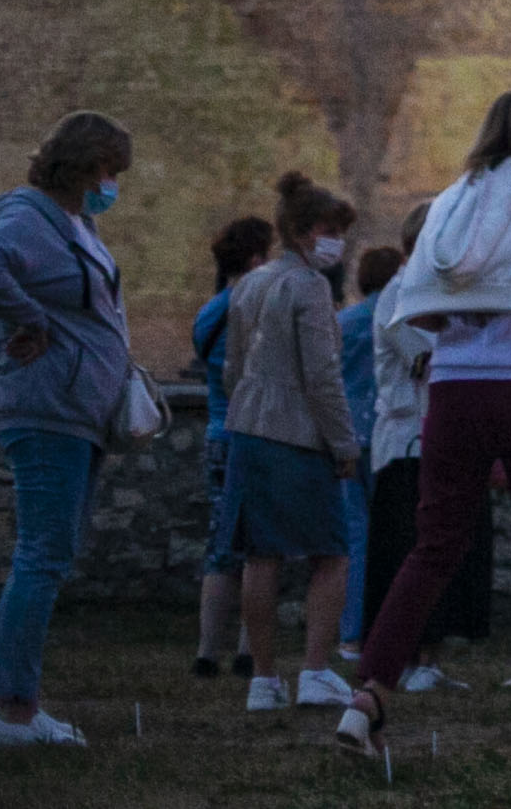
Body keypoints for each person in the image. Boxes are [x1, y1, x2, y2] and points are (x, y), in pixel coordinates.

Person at [345, 94, 511, 764]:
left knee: (432, 547)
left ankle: (369, 694)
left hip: (457, 391)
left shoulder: (448, 207)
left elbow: (426, 317)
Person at [0, 108, 137, 750]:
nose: (114, 184)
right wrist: (32, 320)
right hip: (46, 408)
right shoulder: (28, 216)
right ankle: (11, 712)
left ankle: (8, 695)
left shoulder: (72, 222)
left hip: (74, 411)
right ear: (85, 164)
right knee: (41, 555)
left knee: (46, 555)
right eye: (111, 170)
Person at [220, 171, 363, 722]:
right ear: (303, 231)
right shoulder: (309, 287)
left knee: (262, 555)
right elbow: (322, 376)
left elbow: (232, 366)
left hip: (249, 429)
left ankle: (262, 678)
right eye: (329, 230)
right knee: (332, 553)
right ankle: (315, 670)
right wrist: (343, 442)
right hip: (298, 436)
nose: (337, 242)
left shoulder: (249, 284)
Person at [356, 208, 493, 692]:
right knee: (408, 549)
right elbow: (431, 360)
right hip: (407, 443)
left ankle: (430, 657)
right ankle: (408, 657)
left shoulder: (443, 294)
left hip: (445, 439)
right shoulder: (399, 294)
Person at [190, 215, 275, 680]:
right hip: (260, 435)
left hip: (219, 434)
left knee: (221, 543)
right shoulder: (260, 310)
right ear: (258, 259)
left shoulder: (211, 311)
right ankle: (248, 648)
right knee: (260, 546)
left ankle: (207, 652)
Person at [334, 243, 390, 661]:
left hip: (349, 436)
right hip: (389, 436)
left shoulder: (344, 322)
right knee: (395, 537)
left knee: (354, 534)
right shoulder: (402, 320)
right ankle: (388, 630)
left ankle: (350, 633)